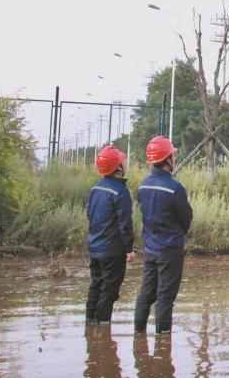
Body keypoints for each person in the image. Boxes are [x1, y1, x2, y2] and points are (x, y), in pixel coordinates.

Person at [133, 136, 193, 335]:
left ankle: (138, 335)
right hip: (170, 250)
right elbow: (186, 218)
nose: (174, 158)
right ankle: (163, 342)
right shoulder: (175, 189)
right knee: (165, 297)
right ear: (168, 159)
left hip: (150, 248)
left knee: (146, 293)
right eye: (172, 155)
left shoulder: (142, 186)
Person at [86, 144, 135, 324]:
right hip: (112, 250)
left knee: (96, 285)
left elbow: (89, 215)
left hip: (95, 247)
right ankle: (102, 330)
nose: (125, 163)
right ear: (118, 167)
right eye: (123, 161)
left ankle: (90, 325)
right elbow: (125, 223)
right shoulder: (121, 192)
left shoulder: (95, 189)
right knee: (109, 290)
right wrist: (129, 249)